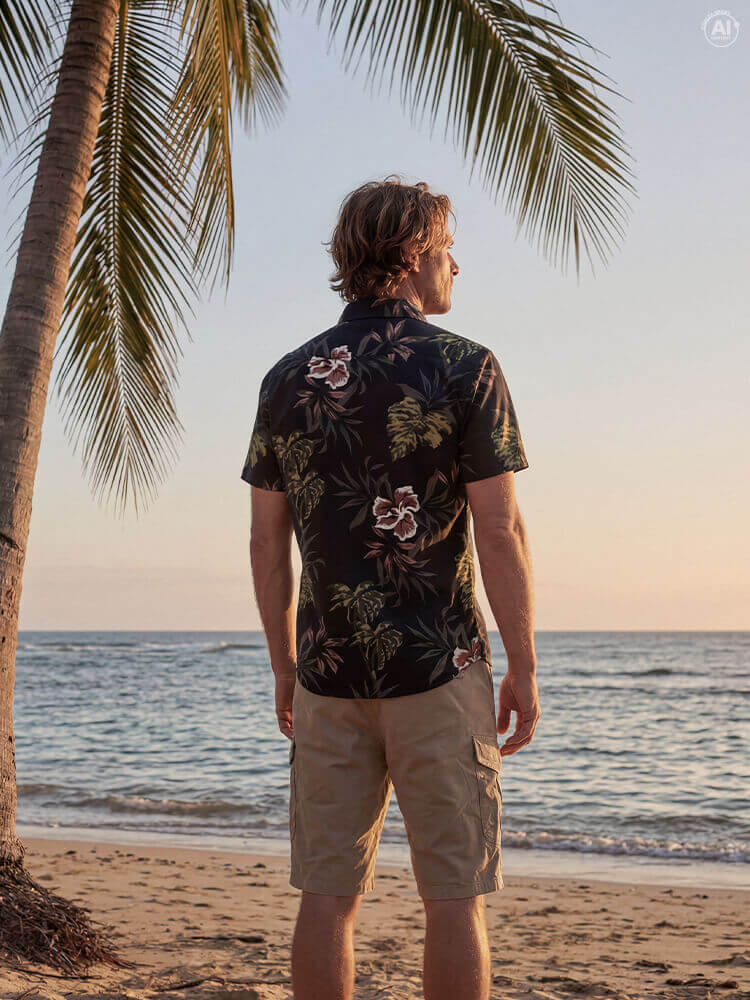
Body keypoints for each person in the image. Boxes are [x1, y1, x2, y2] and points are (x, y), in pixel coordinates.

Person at [241, 176, 541, 1000]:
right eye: (448, 249)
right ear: (412, 256)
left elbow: (268, 543)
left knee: (328, 900)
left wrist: (283, 666)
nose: (456, 266)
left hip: (328, 677)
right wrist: (524, 664)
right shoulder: (465, 367)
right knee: (453, 900)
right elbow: (500, 529)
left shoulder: (286, 379)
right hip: (439, 670)